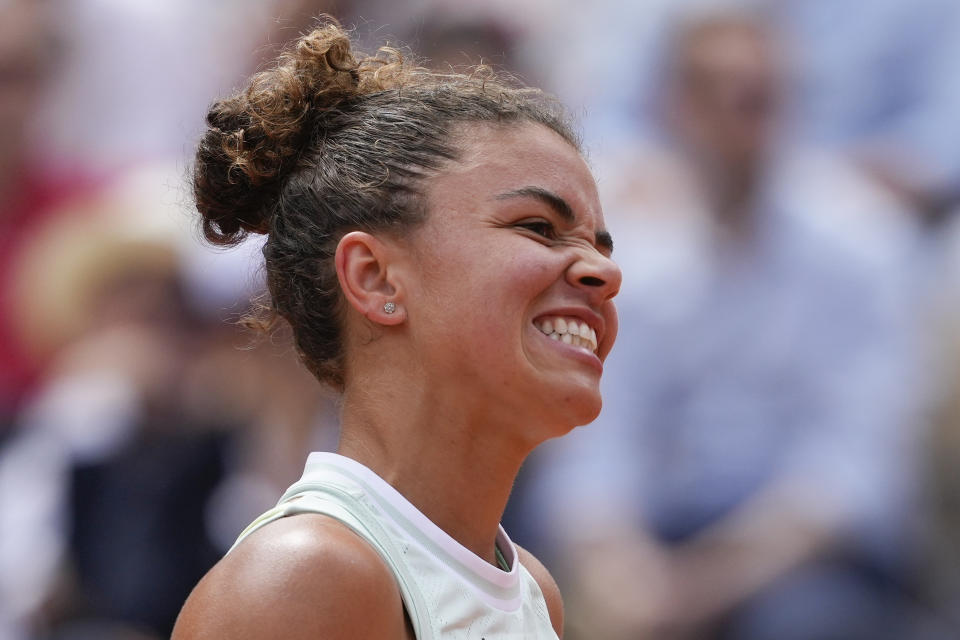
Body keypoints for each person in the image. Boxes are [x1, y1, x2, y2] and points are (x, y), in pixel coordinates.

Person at [171, 18, 620, 640]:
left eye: (602, 244)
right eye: (539, 228)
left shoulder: (535, 592)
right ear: (376, 279)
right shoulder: (305, 579)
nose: (603, 271)